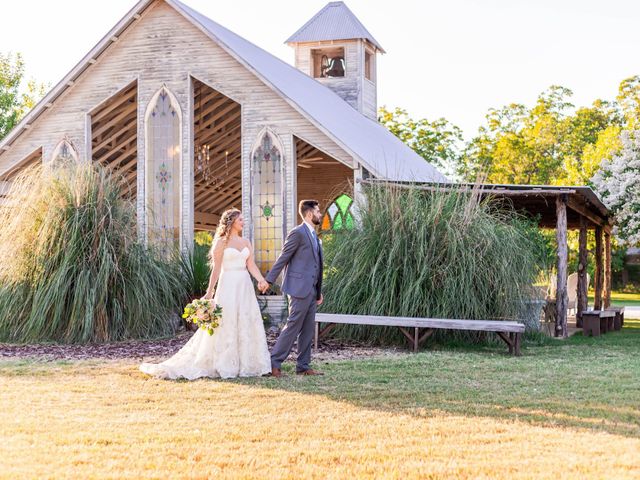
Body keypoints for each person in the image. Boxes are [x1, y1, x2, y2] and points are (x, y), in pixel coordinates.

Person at [139, 209, 271, 380]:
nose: (243, 222)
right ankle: (225, 363)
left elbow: (251, 264)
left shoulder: (246, 241)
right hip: (228, 284)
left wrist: (261, 280)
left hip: (244, 284)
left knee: (246, 319)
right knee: (227, 320)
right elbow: (216, 269)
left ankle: (248, 364)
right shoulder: (221, 242)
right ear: (231, 222)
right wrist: (209, 292)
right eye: (240, 219)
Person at [262, 199, 324, 377]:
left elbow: (316, 266)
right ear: (310, 214)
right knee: (293, 326)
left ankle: (303, 366)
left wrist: (318, 291)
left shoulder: (314, 236)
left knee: (308, 329)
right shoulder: (297, 233)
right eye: (318, 211)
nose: (320, 214)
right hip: (298, 289)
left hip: (311, 291)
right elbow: (284, 257)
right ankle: (274, 363)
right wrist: (269, 280)